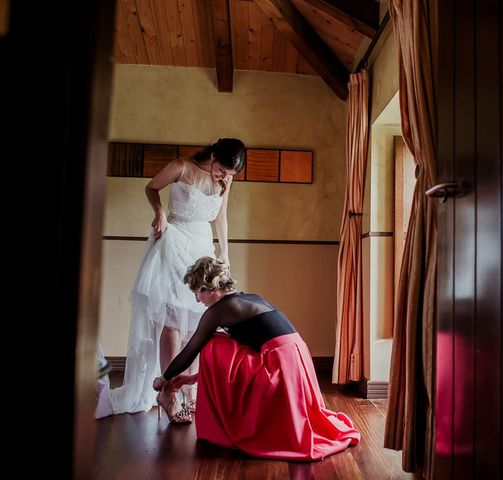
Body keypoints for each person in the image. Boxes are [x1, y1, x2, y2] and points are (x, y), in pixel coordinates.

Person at [152, 257, 361, 460]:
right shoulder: (249, 297)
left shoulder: (218, 311)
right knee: (220, 338)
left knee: (212, 342)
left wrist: (164, 378)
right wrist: (195, 377)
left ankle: (230, 422)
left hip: (279, 363)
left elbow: (190, 351)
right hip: (296, 357)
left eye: (197, 292)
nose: (197, 299)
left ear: (210, 287)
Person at [109, 138, 246, 421]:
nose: (222, 177)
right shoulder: (182, 167)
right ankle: (168, 392)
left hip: (201, 247)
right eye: (221, 170)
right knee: (172, 319)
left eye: (228, 176)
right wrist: (159, 211)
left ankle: (189, 390)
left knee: (197, 322)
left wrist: (225, 251)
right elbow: (151, 187)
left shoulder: (225, 181)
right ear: (213, 154)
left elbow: (221, 216)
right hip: (173, 240)